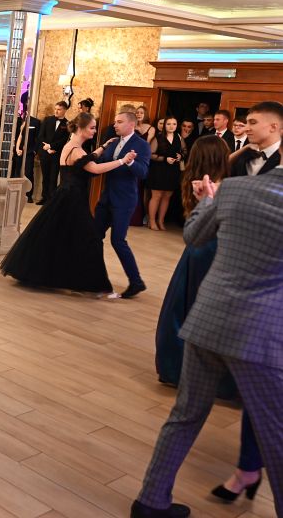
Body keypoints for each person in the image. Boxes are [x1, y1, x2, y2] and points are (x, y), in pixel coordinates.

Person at [132, 136, 283, 518]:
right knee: (276, 436)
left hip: (208, 321)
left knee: (184, 416)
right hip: (261, 336)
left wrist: (209, 200)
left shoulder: (233, 189)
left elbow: (193, 236)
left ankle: (150, 502)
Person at [1, 113, 134, 294]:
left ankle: (64, 277)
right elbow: (94, 168)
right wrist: (122, 161)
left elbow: (87, 159)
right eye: (92, 128)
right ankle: (91, 284)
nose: (95, 131)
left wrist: (103, 147)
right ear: (81, 128)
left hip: (67, 195)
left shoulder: (71, 146)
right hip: (73, 199)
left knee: (61, 237)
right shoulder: (76, 150)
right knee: (89, 240)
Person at [154, 136, 234, 395]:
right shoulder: (223, 186)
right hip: (215, 251)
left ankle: (175, 366)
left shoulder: (198, 181)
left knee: (181, 306)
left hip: (195, 251)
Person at [95, 110, 151, 298]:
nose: (115, 125)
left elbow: (143, 172)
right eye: (115, 122)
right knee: (94, 236)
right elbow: (102, 162)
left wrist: (130, 162)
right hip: (106, 198)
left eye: (119, 122)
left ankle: (136, 282)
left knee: (118, 241)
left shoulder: (141, 145)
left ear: (131, 124)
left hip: (124, 200)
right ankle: (96, 279)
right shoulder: (113, 142)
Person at [147, 116, 183, 231]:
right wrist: (164, 159)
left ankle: (161, 221)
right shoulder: (158, 137)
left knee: (167, 196)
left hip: (173, 170)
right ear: (164, 125)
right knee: (156, 196)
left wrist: (180, 156)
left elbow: (184, 151)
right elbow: (150, 154)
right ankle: (152, 221)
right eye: (168, 124)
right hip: (159, 169)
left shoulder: (178, 137)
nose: (171, 126)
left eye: (174, 124)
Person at [230, 102, 281, 176]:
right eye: (247, 123)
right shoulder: (245, 155)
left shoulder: (280, 157)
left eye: (253, 123)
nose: (246, 129)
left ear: (273, 127)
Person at [37, 101, 70, 204]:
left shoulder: (67, 124)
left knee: (53, 178)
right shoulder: (47, 120)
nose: (56, 111)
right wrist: (47, 148)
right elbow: (41, 136)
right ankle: (44, 197)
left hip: (56, 154)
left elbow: (64, 140)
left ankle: (51, 200)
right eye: (55, 109)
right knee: (45, 177)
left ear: (65, 110)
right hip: (45, 153)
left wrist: (51, 146)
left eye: (59, 109)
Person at [13, 112, 40, 203]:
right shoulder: (18, 121)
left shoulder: (36, 122)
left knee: (28, 173)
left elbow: (38, 138)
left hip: (29, 152)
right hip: (19, 151)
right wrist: (17, 149)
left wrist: (34, 151)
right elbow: (19, 136)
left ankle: (28, 195)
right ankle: (16, 193)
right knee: (17, 172)